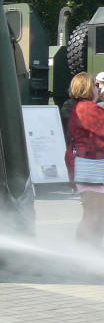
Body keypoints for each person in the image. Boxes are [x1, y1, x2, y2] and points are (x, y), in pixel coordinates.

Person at [64, 72, 104, 245]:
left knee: (94, 215)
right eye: (96, 86)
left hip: (86, 167)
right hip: (93, 169)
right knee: (93, 216)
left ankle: (91, 253)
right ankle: (84, 257)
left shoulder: (78, 107)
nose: (98, 89)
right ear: (89, 88)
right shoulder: (88, 109)